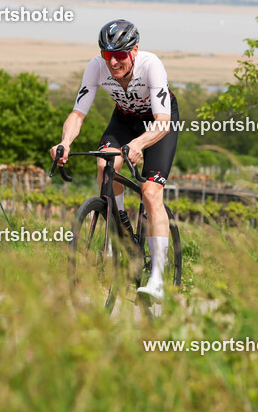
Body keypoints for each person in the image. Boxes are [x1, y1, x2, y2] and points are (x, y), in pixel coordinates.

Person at [51, 19, 179, 300]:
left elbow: (162, 122)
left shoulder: (151, 65)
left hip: (157, 123)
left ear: (134, 52)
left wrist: (138, 144)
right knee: (104, 163)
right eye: (107, 55)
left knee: (150, 191)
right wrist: (65, 142)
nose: (113, 62)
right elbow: (77, 114)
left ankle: (157, 278)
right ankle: (118, 226)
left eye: (120, 55)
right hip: (124, 119)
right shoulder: (96, 66)